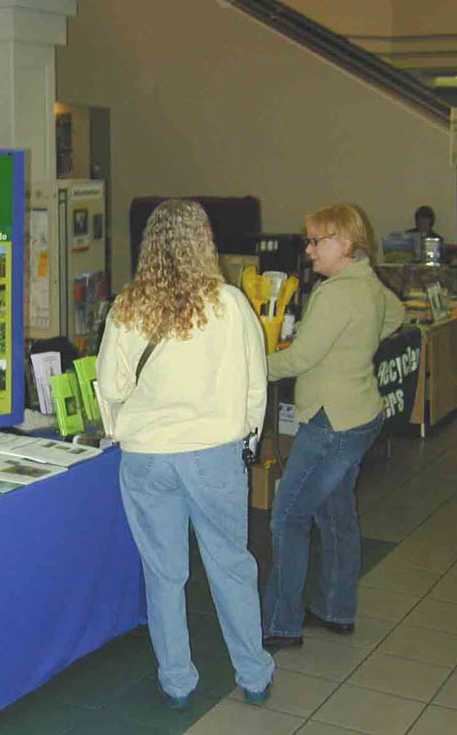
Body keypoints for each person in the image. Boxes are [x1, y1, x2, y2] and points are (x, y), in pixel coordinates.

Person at [97, 199, 274, 710]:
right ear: (205, 242)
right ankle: (254, 674)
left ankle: (176, 681)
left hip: (147, 456)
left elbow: (110, 385)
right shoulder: (231, 304)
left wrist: (121, 428)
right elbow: (256, 387)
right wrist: (247, 442)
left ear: (150, 246)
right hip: (215, 453)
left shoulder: (128, 307)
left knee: (164, 572)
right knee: (231, 565)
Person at [262, 204, 404, 649]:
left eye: (315, 241)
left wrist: (247, 366)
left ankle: (281, 622)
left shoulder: (335, 293)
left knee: (288, 517)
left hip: (330, 422)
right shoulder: (368, 281)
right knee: (335, 514)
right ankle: (336, 609)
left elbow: (299, 359)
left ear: (344, 244)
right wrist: (355, 348)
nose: (308, 250)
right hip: (360, 414)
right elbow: (396, 315)